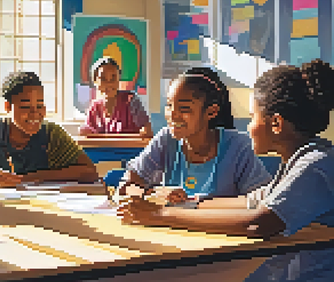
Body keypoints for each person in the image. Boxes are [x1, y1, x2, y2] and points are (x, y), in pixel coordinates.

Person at [118, 59, 334, 282]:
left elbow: (257, 223)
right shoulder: (295, 163)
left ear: (276, 123)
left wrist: (159, 215)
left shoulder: (315, 165)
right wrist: (182, 203)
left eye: (252, 117)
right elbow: (250, 201)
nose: (249, 127)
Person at [117, 67, 271, 203]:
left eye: (184, 108)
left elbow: (263, 200)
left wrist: (198, 203)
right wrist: (153, 194)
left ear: (211, 112)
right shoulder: (165, 140)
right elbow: (125, 187)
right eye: (169, 105)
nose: (173, 115)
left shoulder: (238, 147)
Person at [0, 71, 99, 188]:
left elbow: (89, 172)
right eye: (25, 107)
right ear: (8, 107)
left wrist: (35, 177)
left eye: (40, 106)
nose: (35, 114)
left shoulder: (51, 133)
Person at [79, 57, 152, 136]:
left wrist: (145, 131)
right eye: (103, 79)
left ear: (119, 79)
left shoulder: (131, 101)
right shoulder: (94, 108)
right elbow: (88, 133)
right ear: (95, 81)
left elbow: (146, 129)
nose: (109, 83)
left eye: (113, 78)